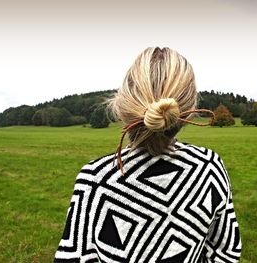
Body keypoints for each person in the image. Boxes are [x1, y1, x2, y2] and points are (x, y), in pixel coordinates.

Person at [54, 47, 242, 262]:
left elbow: (72, 257)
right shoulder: (209, 167)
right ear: (188, 108)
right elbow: (226, 250)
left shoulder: (97, 179)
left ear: (123, 104)